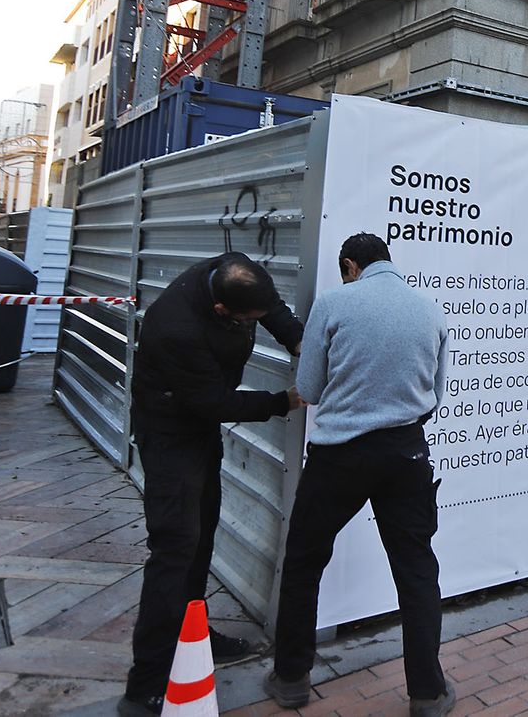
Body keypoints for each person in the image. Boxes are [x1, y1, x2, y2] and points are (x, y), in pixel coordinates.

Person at [264, 233, 454, 715]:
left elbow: (309, 388)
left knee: (305, 562)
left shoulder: (335, 303)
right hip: (406, 453)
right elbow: (436, 390)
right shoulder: (429, 309)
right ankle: (428, 694)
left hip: (340, 457)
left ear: (350, 265)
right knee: (415, 571)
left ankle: (290, 679)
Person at [120, 253, 305, 717]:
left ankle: (194, 636)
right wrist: (281, 400)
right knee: (176, 546)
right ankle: (145, 685)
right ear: (223, 311)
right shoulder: (174, 328)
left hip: (199, 427)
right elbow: (213, 402)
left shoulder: (237, 272)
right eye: (248, 321)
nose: (255, 324)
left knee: (201, 534)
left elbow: (274, 309)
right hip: (169, 431)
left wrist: (302, 343)